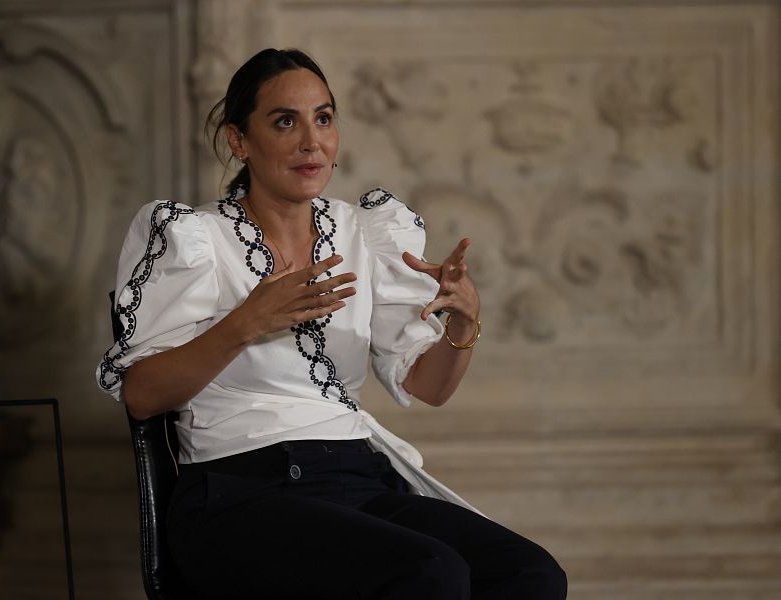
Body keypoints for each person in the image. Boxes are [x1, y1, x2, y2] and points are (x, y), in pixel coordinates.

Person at [97, 48, 566, 600]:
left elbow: (429, 387)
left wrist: (463, 323)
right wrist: (245, 323)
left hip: (354, 480)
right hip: (239, 494)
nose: (311, 141)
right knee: (429, 572)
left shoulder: (363, 232)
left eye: (323, 118)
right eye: (284, 121)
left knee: (530, 575)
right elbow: (143, 396)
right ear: (239, 141)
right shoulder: (196, 239)